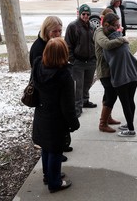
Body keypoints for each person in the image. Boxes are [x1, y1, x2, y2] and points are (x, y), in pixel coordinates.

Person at [32, 37, 80, 193]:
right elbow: (68, 106)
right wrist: (74, 123)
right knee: (55, 150)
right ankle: (54, 182)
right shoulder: (63, 76)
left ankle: (48, 175)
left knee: (46, 147)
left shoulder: (38, 64)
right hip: (56, 120)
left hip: (41, 113)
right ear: (63, 54)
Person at [29, 16, 72, 159]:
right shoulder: (39, 48)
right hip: (46, 100)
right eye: (55, 31)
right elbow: (39, 73)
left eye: (60, 31)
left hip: (50, 101)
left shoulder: (53, 44)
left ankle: (59, 150)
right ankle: (53, 170)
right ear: (46, 30)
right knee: (50, 141)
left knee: (53, 139)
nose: (58, 34)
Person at [102, 13, 137, 137]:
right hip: (133, 74)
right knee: (130, 101)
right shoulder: (122, 39)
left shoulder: (107, 44)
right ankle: (130, 123)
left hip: (121, 78)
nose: (120, 27)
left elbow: (108, 60)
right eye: (118, 24)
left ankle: (131, 129)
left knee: (125, 103)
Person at [94, 11, 129, 133]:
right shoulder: (99, 32)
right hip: (104, 71)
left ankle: (107, 118)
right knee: (111, 94)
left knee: (109, 94)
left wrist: (118, 33)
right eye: (116, 25)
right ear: (107, 24)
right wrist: (122, 39)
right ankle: (102, 124)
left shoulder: (109, 31)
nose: (117, 27)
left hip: (111, 69)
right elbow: (107, 45)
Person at [65, 4, 97, 118]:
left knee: (87, 83)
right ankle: (77, 107)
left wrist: (95, 57)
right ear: (80, 14)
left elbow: (96, 43)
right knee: (78, 86)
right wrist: (72, 60)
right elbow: (68, 44)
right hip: (78, 62)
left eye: (88, 14)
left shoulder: (93, 27)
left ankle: (85, 101)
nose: (86, 16)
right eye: (84, 14)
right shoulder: (73, 26)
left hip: (91, 61)